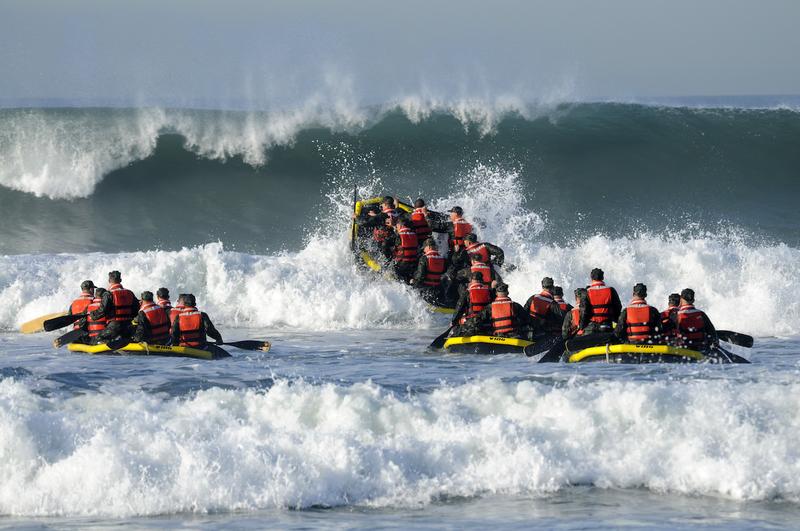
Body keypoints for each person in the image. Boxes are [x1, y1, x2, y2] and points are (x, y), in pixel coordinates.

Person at [90, 271, 139, 342]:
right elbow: (136, 310)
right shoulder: (130, 293)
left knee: (96, 340)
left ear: (109, 280)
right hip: (128, 326)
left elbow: (102, 311)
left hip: (114, 327)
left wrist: (92, 315)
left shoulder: (108, 294)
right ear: (120, 280)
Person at [583, 268, 622, 334]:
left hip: (592, 327)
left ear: (591, 278)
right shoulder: (611, 290)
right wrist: (615, 320)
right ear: (602, 277)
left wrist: (582, 326)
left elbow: (584, 311)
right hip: (607, 325)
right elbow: (618, 307)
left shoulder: (587, 292)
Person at [410, 238, 447, 304]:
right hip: (438, 289)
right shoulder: (442, 258)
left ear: (429, 247)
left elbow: (420, 276)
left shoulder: (424, 258)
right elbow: (443, 271)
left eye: (424, 248)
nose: (424, 250)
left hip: (426, 290)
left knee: (412, 282)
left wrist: (414, 282)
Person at [389, 218, 419, 282]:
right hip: (413, 263)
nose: (397, 228)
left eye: (397, 226)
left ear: (400, 226)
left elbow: (392, 245)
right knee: (407, 279)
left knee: (394, 273)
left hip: (403, 263)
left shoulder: (400, 235)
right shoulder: (414, 234)